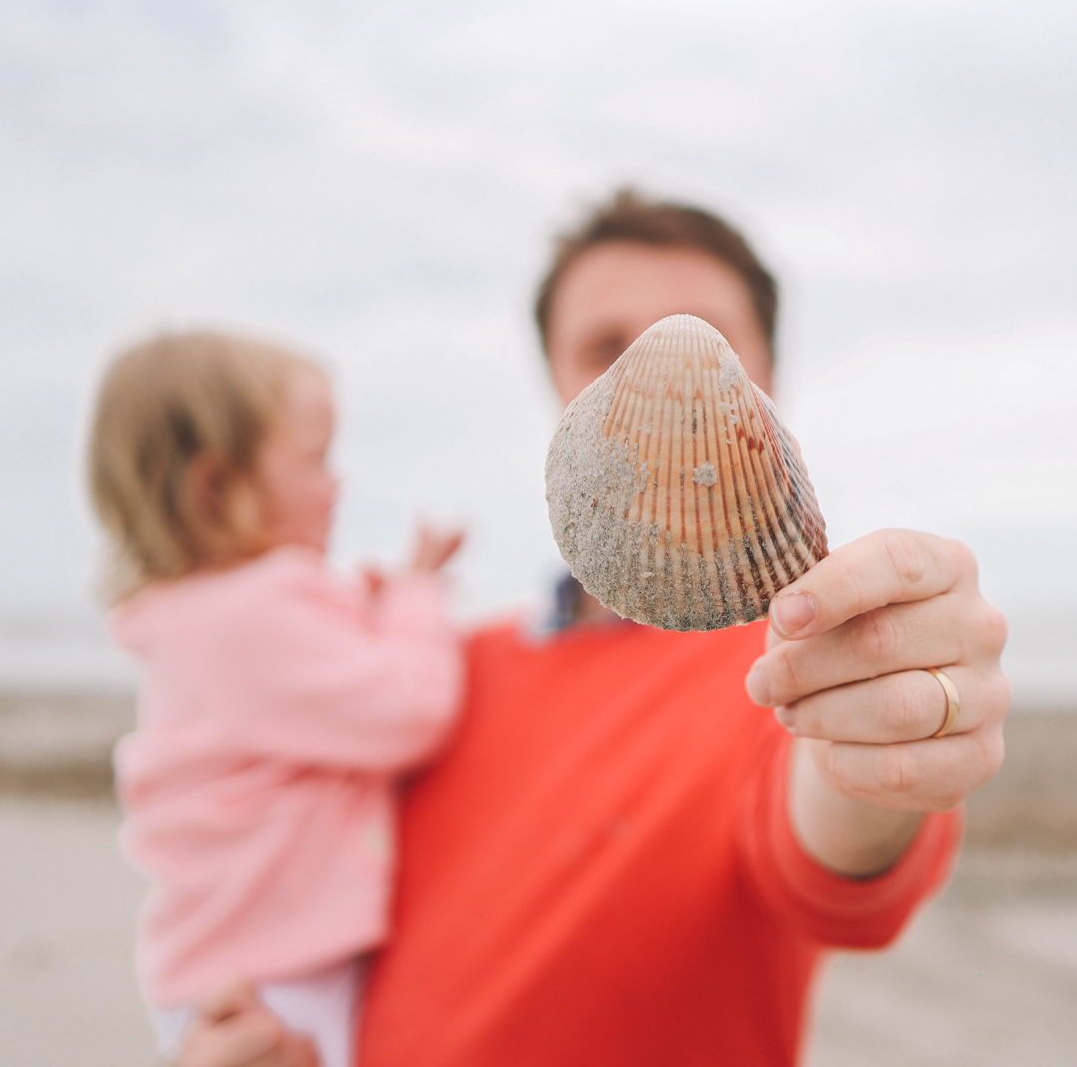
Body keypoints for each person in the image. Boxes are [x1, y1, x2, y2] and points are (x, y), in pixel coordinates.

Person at [180, 190, 1010, 1066]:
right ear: (560, 388)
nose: (651, 361)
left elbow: (834, 852)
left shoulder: (801, 667)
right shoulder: (434, 678)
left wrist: (889, 728)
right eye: (602, 347)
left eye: (704, 329)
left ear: (770, 380)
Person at [88, 332, 467, 1067]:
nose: (339, 482)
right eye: (316, 459)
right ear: (217, 487)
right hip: (277, 970)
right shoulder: (247, 615)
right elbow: (409, 711)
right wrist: (420, 597)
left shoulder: (201, 616)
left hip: (235, 961)